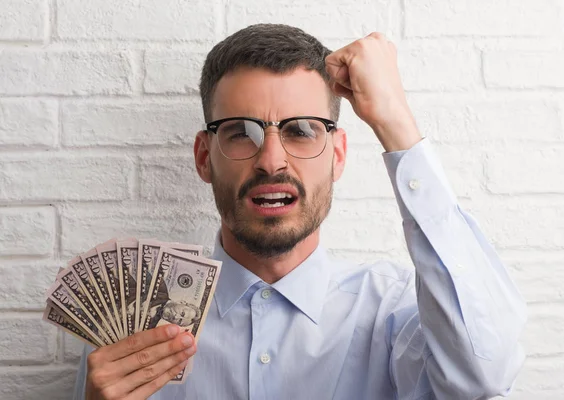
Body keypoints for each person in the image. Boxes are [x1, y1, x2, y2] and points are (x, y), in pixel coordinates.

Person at [73, 24, 526, 399]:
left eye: (303, 130)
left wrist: (395, 121)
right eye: (240, 132)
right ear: (204, 157)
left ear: (339, 155)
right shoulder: (134, 330)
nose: (271, 160)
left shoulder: (395, 312)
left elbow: (483, 375)